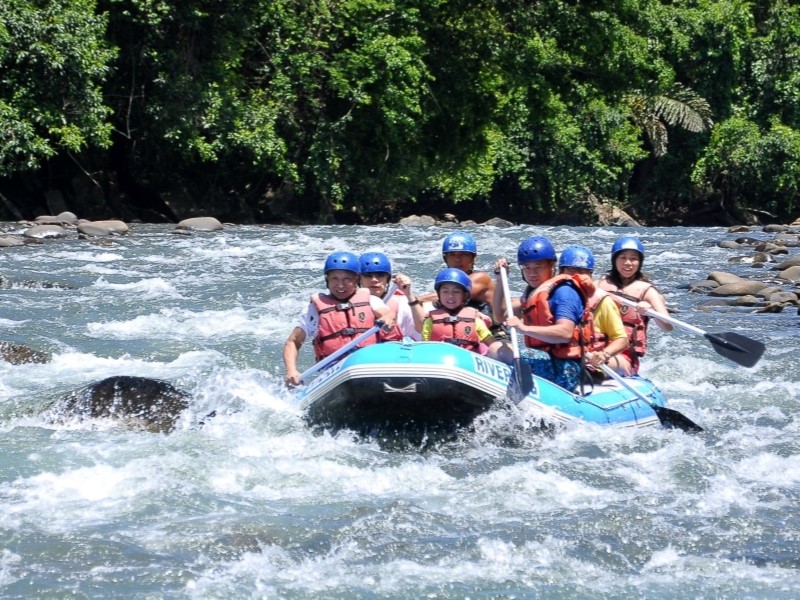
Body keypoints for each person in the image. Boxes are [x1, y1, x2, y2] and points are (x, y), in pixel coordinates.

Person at [492, 236, 595, 392]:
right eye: (527, 267)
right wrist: (501, 279)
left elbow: (565, 333)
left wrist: (523, 328)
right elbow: (500, 315)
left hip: (566, 368)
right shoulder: (533, 294)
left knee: (497, 351)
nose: (532, 273)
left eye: (538, 267)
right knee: (499, 348)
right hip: (546, 358)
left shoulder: (564, 292)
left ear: (552, 266)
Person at [283, 251, 395, 386]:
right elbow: (293, 341)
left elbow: (387, 314)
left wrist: (387, 319)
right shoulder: (314, 310)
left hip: (367, 366)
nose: (340, 285)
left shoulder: (371, 300)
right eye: (334, 279)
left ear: (356, 280)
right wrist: (291, 370)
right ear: (327, 281)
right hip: (333, 372)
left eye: (347, 279)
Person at [596, 236, 673, 375]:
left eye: (633, 259)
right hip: (595, 347)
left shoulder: (647, 290)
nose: (628, 263)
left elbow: (667, 326)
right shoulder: (599, 284)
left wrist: (651, 311)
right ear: (614, 260)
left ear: (640, 262)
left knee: (591, 363)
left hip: (624, 356)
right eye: (623, 257)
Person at [557, 245, 631, 376]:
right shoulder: (554, 297)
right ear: (561, 272)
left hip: (597, 358)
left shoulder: (603, 302)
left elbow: (622, 339)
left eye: (583, 271)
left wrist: (604, 354)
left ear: (590, 275)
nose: (577, 275)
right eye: (571, 269)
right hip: (568, 356)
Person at [418, 232, 504, 336]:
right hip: (463, 336)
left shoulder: (481, 278)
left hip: (494, 334)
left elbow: (449, 294)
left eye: (464, 254)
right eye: (452, 255)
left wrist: (414, 300)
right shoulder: (443, 281)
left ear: (473, 258)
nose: (457, 260)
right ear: (445, 258)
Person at [416, 268, 497, 354]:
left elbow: (491, 343)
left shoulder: (475, 319)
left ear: (465, 295)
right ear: (439, 294)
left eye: (456, 291)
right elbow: (424, 345)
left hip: (468, 360)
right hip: (439, 359)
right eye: (445, 291)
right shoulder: (430, 320)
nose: (450, 296)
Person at [358, 252, 421, 341]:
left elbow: (421, 334)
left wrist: (409, 294)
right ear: (359, 279)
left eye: (380, 275)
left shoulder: (402, 303)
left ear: (387, 279)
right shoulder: (350, 303)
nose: (374, 280)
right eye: (368, 275)